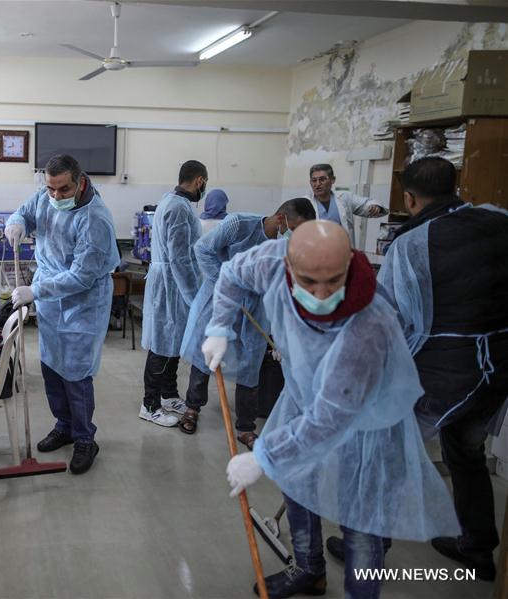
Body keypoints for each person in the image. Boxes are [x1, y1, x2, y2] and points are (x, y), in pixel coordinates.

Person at [204, 220, 459, 598]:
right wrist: (219, 327)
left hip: (364, 420)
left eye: (333, 281)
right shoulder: (274, 260)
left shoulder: (369, 325)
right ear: (288, 264)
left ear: (351, 265)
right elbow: (231, 273)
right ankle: (309, 570)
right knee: (297, 482)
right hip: (304, 395)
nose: (321, 294)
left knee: (361, 518)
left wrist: (263, 457)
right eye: (308, 282)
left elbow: (329, 419)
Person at [338, 156, 508, 581]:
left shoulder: (412, 244)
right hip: (498, 368)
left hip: (443, 375)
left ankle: (369, 552)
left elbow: (388, 319)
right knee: (466, 451)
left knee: (384, 454)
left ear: (410, 198)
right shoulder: (498, 219)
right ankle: (479, 548)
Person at [5, 154, 119, 474]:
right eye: (51, 189)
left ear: (80, 181)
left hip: (82, 304)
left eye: (63, 190)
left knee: (76, 372)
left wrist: (35, 291)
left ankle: (85, 438)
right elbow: (26, 212)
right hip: (50, 299)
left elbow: (81, 277)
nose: (55, 196)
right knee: (52, 365)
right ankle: (64, 425)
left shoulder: (95, 219)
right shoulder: (46, 195)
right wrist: (16, 223)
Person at [176, 198, 314, 437]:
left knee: (251, 360)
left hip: (256, 306)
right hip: (219, 299)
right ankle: (192, 408)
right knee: (206, 353)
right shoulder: (238, 225)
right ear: (282, 219)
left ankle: (246, 427)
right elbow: (203, 250)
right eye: (297, 229)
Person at [139, 160, 206, 427]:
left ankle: (168, 395)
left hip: (169, 281)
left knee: (172, 341)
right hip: (172, 282)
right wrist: (194, 296)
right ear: (199, 181)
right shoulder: (178, 208)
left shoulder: (172, 202)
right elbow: (180, 258)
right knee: (162, 344)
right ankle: (150, 404)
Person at [307, 163, 387, 246]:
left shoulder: (345, 198)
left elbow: (366, 204)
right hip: (317, 252)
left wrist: (375, 206)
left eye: (322, 179)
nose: (317, 184)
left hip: (343, 251)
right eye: (314, 180)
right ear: (310, 182)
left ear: (333, 179)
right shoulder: (305, 202)